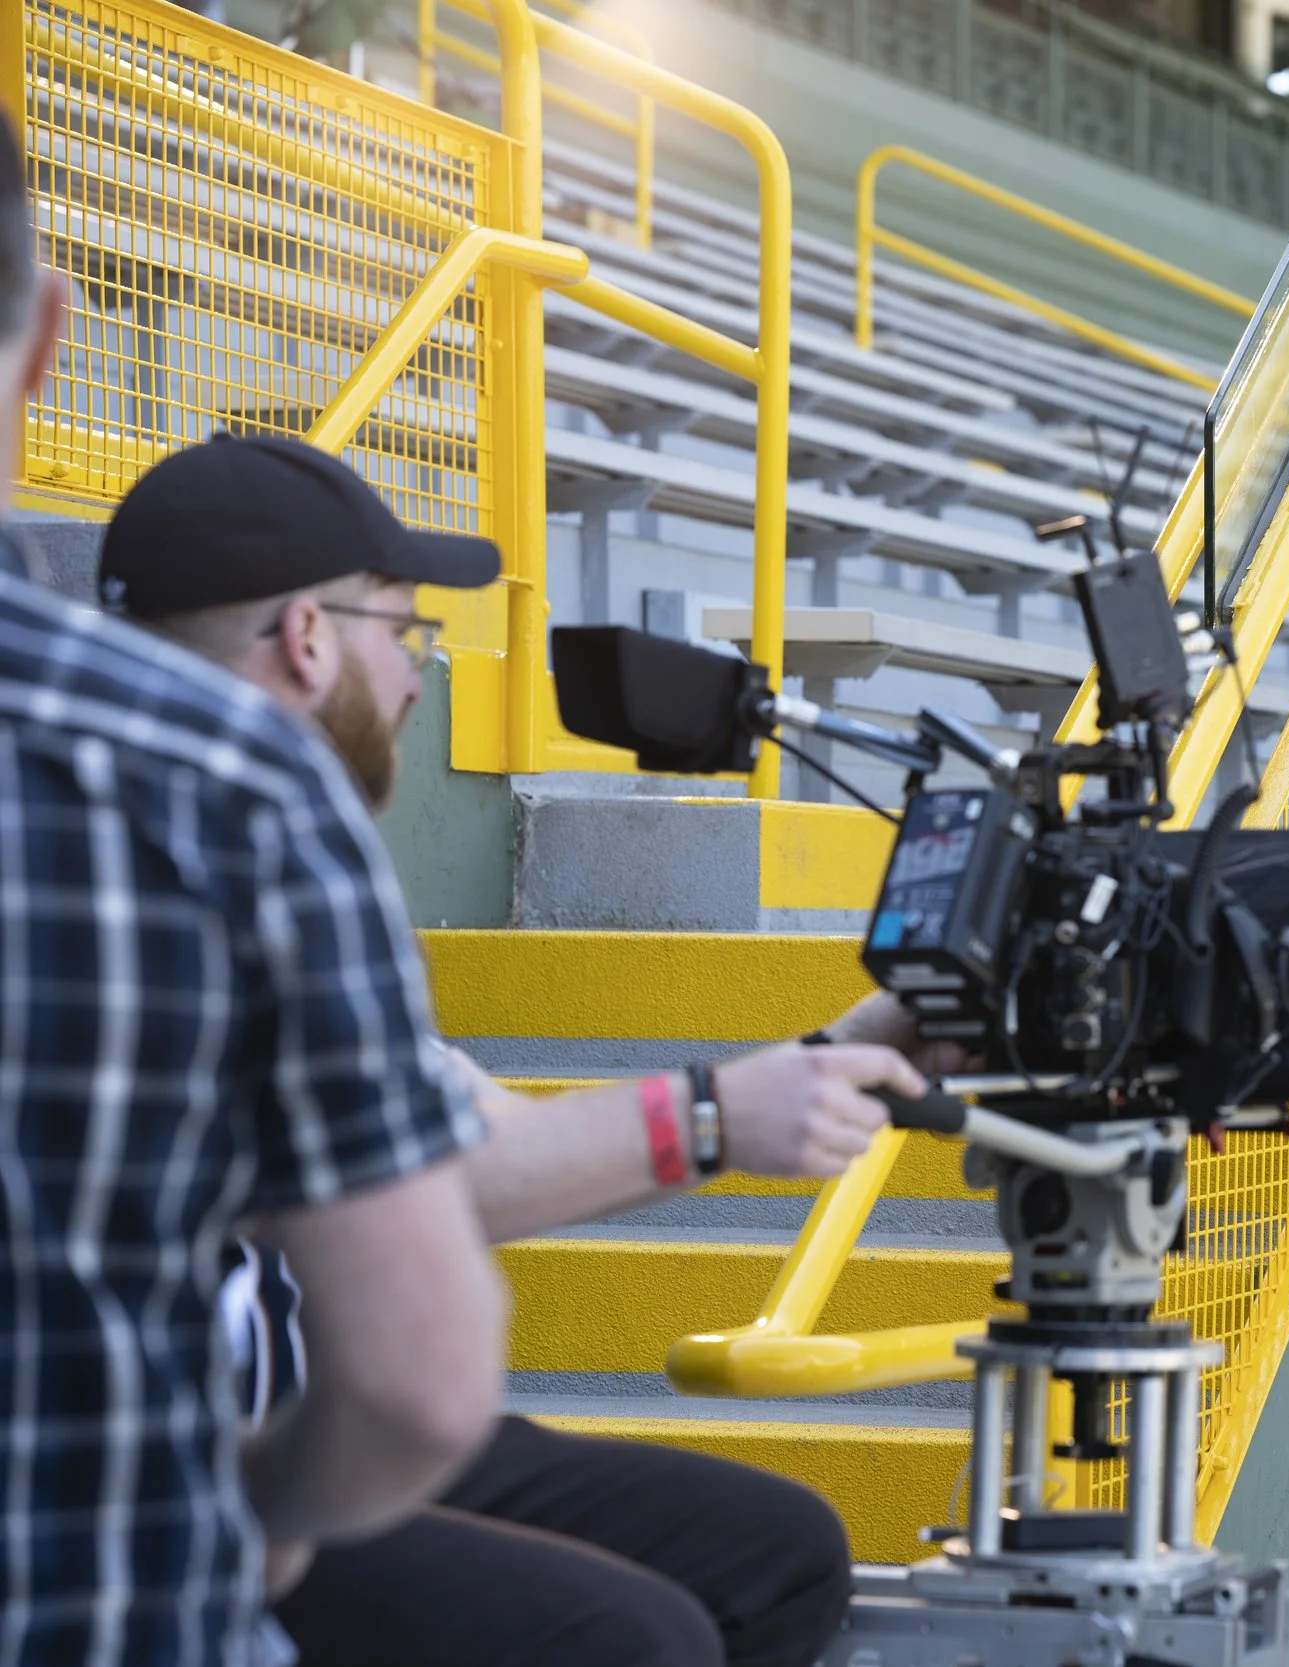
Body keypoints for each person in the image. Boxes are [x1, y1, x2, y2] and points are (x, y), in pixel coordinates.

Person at [97, 433, 937, 1667]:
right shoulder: (178, 860)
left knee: (778, 1551)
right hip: (171, 1474)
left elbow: (473, 1131)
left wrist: (844, 1048)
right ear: (307, 637)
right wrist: (713, 1117)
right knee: (629, 1639)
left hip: (276, 1426)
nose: (417, 679)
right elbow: (453, 1190)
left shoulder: (214, 830)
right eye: (408, 632)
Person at [0, 126, 511, 1662]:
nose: (412, 669)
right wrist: (264, 1503)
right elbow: (421, 1375)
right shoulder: (216, 784)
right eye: (401, 628)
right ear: (43, 339)